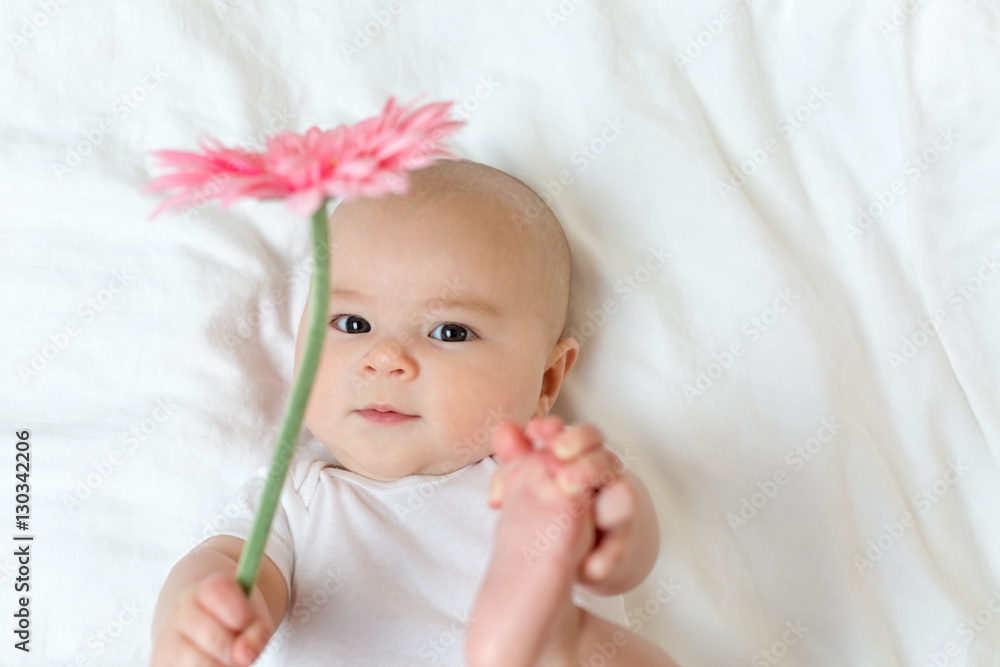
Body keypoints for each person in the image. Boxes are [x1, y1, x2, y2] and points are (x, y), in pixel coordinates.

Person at [149, 158, 680, 666]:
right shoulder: (299, 498)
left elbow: (623, 562)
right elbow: (233, 566)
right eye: (353, 324)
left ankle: (548, 640)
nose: (386, 359)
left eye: (449, 331)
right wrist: (200, 612)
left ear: (546, 380)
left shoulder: (541, 481)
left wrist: (614, 526)